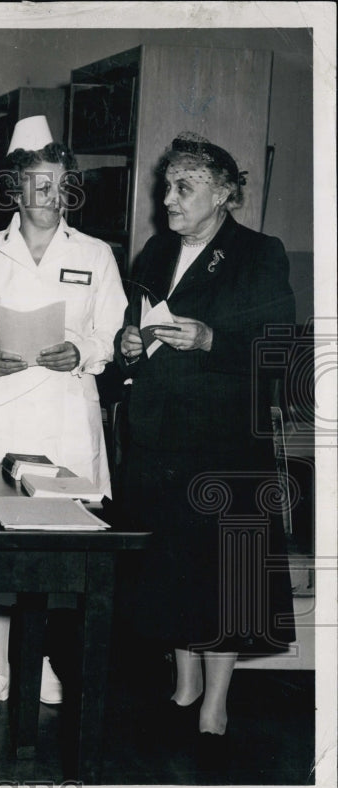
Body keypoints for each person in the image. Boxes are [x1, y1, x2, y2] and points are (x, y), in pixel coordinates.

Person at [114, 133, 295, 752]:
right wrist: (128, 344)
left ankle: (215, 704)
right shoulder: (155, 251)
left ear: (222, 194)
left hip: (223, 442)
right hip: (158, 439)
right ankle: (184, 687)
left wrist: (212, 339)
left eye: (183, 187)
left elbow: (280, 351)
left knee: (222, 576)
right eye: (167, 185)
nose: (168, 198)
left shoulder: (258, 254)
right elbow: (134, 331)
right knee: (171, 569)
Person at [0, 116, 127, 720]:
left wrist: (82, 351)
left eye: (60, 184)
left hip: (61, 412)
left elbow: (110, 333)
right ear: (16, 190)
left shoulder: (96, 254)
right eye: (39, 184)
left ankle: (41, 658)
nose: (51, 196)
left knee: (55, 543)